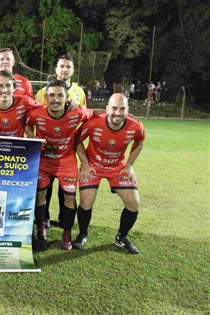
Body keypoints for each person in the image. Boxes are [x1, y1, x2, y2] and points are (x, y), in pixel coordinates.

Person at [25, 80, 103, 249]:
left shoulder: (77, 112)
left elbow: (95, 113)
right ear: (46, 97)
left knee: (69, 197)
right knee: (40, 196)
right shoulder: (37, 113)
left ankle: (66, 232)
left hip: (66, 160)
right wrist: (33, 137)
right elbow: (28, 125)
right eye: (51, 95)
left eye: (60, 95)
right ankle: (41, 228)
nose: (56, 99)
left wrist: (119, 114)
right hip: (44, 160)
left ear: (67, 97)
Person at [73, 93, 145, 254]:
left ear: (128, 110)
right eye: (114, 108)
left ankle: (122, 238)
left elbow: (139, 142)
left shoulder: (136, 126)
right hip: (93, 166)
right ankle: (82, 234)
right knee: (86, 202)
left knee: (134, 203)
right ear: (107, 109)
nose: (118, 113)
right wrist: (84, 163)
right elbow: (76, 140)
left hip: (117, 167)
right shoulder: (94, 123)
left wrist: (129, 165)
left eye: (122, 109)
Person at [35, 55, 87, 229]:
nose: (64, 69)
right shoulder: (43, 92)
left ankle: (65, 222)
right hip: (46, 151)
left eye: (68, 67)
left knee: (65, 190)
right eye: (61, 66)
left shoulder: (79, 92)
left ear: (73, 70)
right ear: (56, 69)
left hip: (67, 149)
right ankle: (44, 219)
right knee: (44, 188)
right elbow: (37, 114)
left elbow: (84, 115)